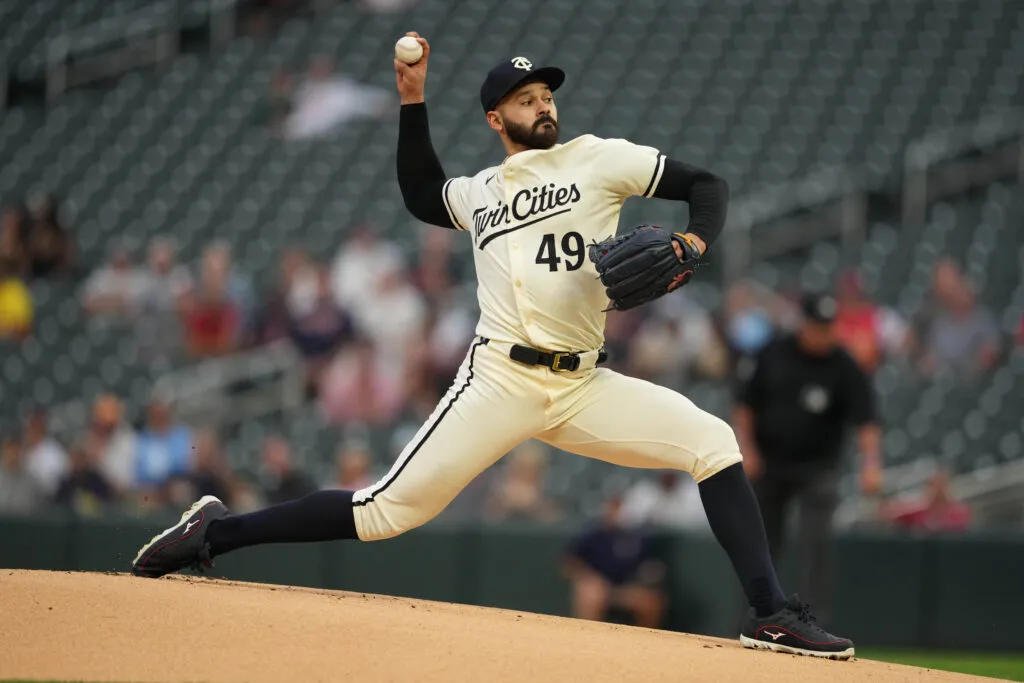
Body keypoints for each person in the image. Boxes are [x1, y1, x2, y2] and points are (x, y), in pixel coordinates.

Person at [131, 35, 854, 659]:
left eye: (546, 93)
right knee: (387, 510)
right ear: (495, 118)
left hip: (582, 385)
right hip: (499, 381)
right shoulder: (479, 192)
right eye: (525, 97)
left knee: (712, 439)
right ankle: (214, 533)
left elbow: (707, 184)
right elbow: (421, 193)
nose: (542, 105)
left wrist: (694, 241)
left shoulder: (598, 158)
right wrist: (412, 98)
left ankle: (769, 615)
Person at [734, 293, 882, 626]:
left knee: (816, 546)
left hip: (818, 467)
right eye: (817, 326)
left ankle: (812, 624)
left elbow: (867, 418)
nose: (823, 334)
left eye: (828, 327)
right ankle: (754, 617)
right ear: (804, 324)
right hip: (770, 463)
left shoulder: (843, 363)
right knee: (761, 544)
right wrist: (748, 449)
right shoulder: (774, 352)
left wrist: (871, 464)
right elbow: (745, 404)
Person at [563, 495, 667, 628]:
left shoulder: (636, 536)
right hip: (599, 587)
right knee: (590, 594)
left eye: (619, 507)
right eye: (613, 507)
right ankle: (588, 637)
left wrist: (649, 575)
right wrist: (588, 577)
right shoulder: (592, 533)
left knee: (650, 601)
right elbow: (569, 561)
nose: (616, 512)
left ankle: (644, 643)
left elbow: (649, 565)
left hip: (626, 588)